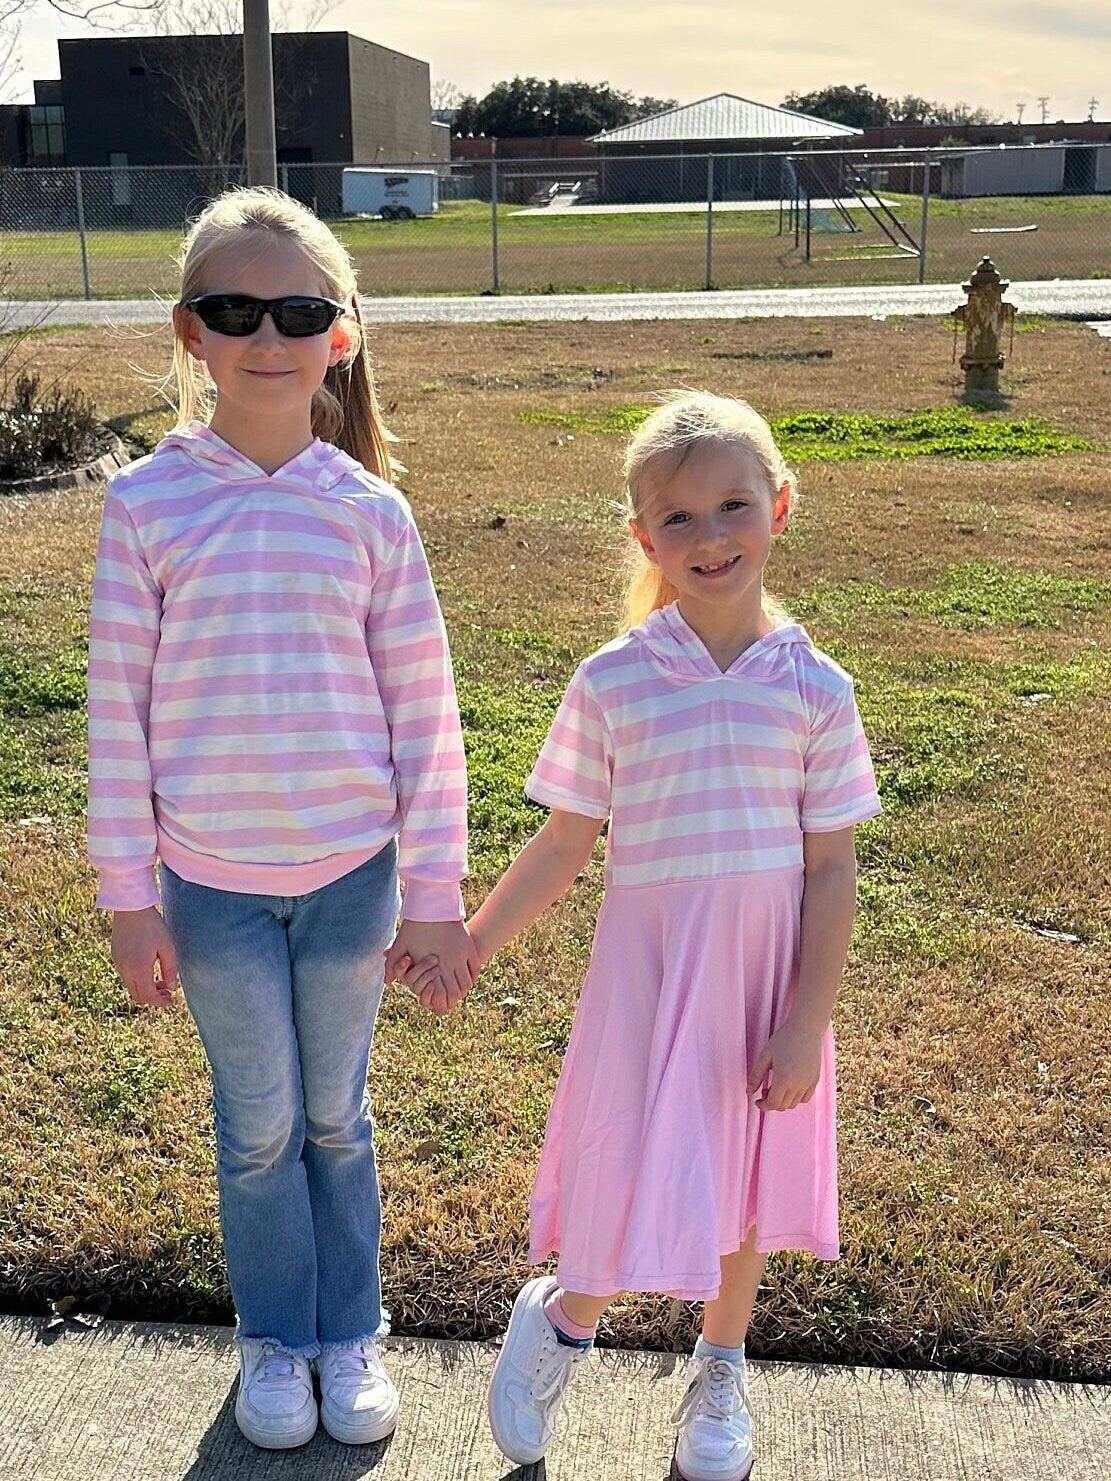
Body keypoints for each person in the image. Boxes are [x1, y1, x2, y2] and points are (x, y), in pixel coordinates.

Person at [401, 391, 881, 1481]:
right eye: (677, 519)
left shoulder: (815, 688)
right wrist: (469, 941)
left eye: (732, 506)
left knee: (744, 1182)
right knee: (625, 1160)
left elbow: (830, 865)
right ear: (641, 536)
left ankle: (719, 1367)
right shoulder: (613, 681)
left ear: (781, 507)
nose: (709, 538)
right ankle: (564, 1319)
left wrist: (805, 1021)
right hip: (649, 976)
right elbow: (567, 841)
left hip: (764, 983)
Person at [87, 187, 477, 1451]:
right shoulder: (147, 505)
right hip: (208, 887)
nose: (267, 333)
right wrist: (127, 891)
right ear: (191, 331)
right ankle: (274, 1338)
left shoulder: (369, 512)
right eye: (234, 308)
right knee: (258, 1125)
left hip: (354, 880)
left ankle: (345, 1328)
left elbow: (425, 714)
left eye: (298, 310)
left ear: (341, 335)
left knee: (334, 1117)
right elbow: (115, 712)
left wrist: (435, 889)